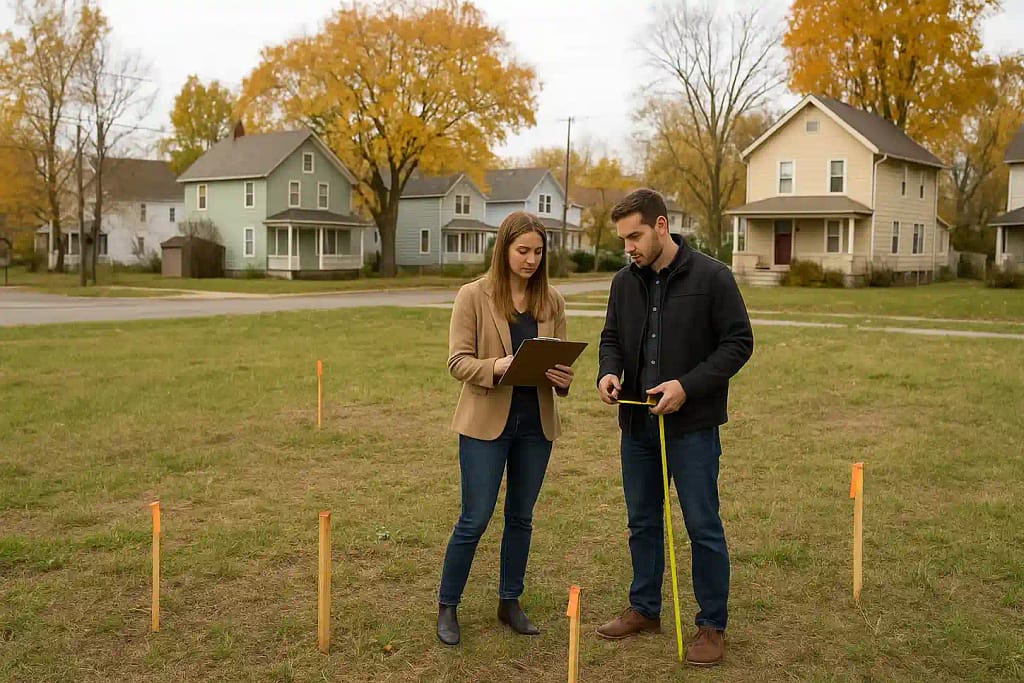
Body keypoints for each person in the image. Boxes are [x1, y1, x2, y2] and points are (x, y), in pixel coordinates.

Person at [594, 188, 753, 667]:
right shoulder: (625, 282)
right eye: (623, 240)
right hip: (638, 425)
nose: (630, 248)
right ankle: (645, 608)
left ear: (661, 226)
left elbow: (738, 343)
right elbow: (611, 337)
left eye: (636, 236)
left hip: (693, 428)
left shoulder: (713, 277)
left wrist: (687, 385)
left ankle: (711, 626)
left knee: (702, 525)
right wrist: (608, 370)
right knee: (642, 521)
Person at [436, 211, 575, 646]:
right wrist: (497, 366)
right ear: (504, 250)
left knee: (521, 517)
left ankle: (509, 600)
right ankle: (448, 605)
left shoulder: (552, 301)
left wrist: (563, 380)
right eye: (523, 251)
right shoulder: (472, 296)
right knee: (474, 518)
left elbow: (562, 366)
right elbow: (457, 362)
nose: (531, 259)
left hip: (535, 424)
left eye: (538, 252)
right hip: (484, 423)